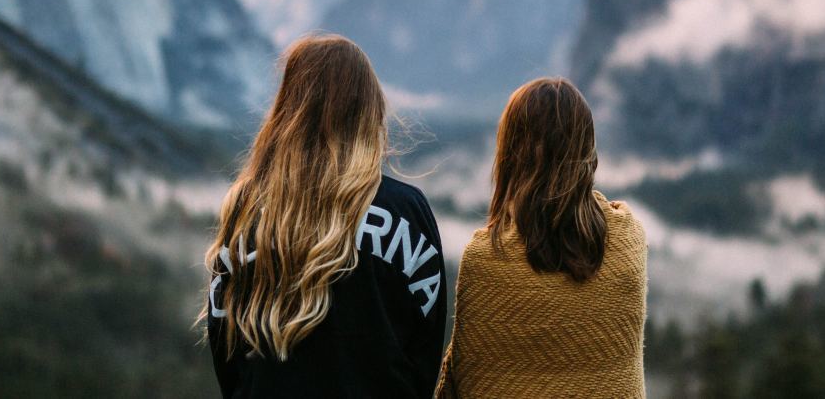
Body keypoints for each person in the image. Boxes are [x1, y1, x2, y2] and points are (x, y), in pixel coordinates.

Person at [203, 34, 446, 398]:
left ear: (288, 111)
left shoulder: (247, 208)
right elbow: (426, 346)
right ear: (370, 112)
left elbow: (224, 344)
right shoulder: (406, 211)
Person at [435, 77, 648, 398]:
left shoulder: (485, 259)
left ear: (510, 155)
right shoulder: (627, 238)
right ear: (589, 153)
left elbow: (465, 380)